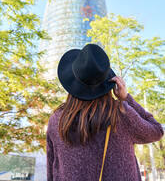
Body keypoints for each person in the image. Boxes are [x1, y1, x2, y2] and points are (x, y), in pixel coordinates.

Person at [46, 44, 164, 181]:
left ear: (72, 82)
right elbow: (156, 131)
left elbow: (51, 167)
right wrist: (126, 98)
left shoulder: (57, 120)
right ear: (107, 82)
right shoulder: (120, 113)